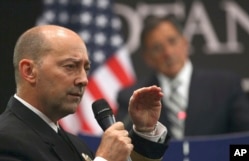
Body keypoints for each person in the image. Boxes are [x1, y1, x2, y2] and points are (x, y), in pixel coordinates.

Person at [0, 25, 169, 161]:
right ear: (29, 71)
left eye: (86, 69)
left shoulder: (77, 146)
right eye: (70, 66)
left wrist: (144, 131)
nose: (83, 80)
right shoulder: (6, 140)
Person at [116, 15, 249, 140]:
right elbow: (124, 148)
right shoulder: (134, 98)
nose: (168, 53)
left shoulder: (224, 86)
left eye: (172, 41)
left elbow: (245, 141)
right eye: (157, 48)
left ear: (185, 43)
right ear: (147, 58)